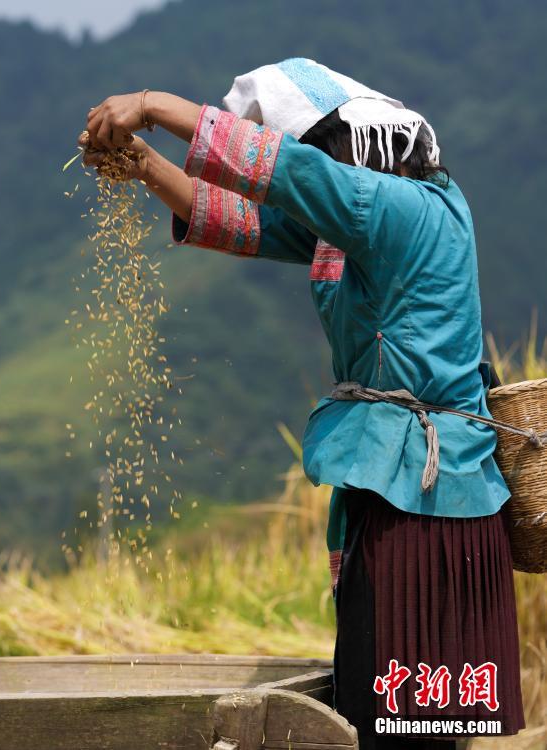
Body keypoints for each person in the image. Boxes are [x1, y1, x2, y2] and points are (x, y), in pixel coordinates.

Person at [81, 58, 526, 748]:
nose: (311, 167)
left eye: (316, 152)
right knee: (385, 709)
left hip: (431, 502)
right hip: (394, 488)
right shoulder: (353, 223)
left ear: (348, 148)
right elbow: (236, 219)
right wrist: (142, 165)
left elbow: (289, 175)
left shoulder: (398, 207)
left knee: (409, 724)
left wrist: (150, 105)